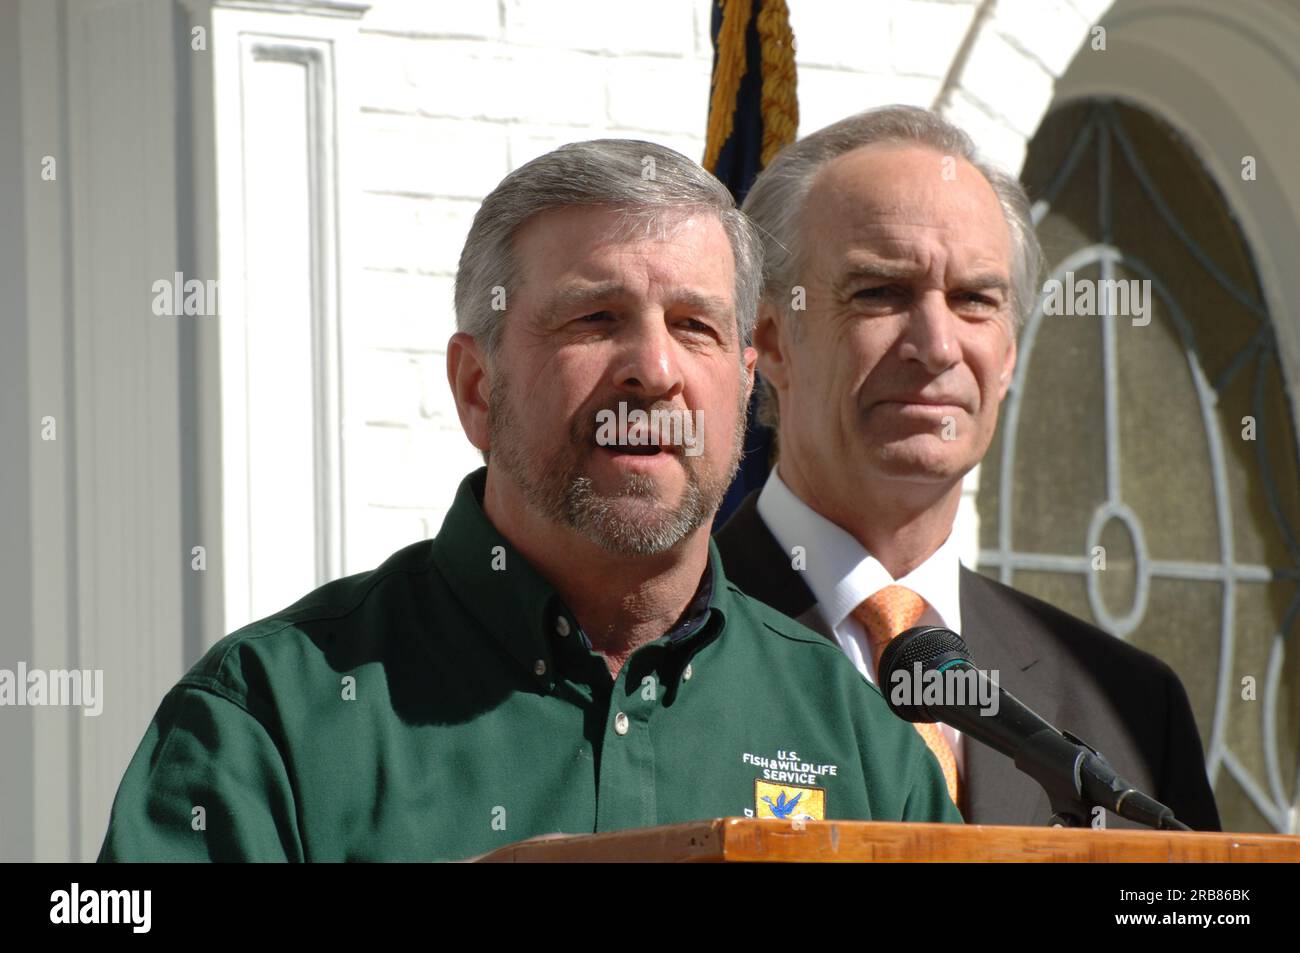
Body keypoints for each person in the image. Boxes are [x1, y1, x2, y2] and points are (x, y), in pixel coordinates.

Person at [98, 138, 961, 862]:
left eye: (694, 324)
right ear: (477, 387)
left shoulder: (861, 738)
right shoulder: (269, 721)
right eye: (594, 318)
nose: (654, 371)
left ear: (743, 387)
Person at [715, 105, 1221, 832]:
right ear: (772, 340)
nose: (937, 345)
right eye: (881, 292)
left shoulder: (1129, 706)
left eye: (975, 300)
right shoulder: (655, 645)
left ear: (1009, 355)